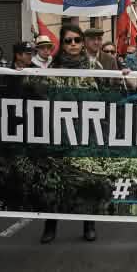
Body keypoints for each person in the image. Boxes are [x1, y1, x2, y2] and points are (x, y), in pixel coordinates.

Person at [43, 24, 98, 244]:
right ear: (62, 44)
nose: (73, 44)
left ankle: (89, 225)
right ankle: (50, 226)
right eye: (68, 41)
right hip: (58, 133)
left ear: (82, 42)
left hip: (86, 132)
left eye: (77, 40)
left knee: (86, 180)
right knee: (55, 180)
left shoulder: (96, 67)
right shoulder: (51, 70)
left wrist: (123, 74)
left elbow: (114, 90)